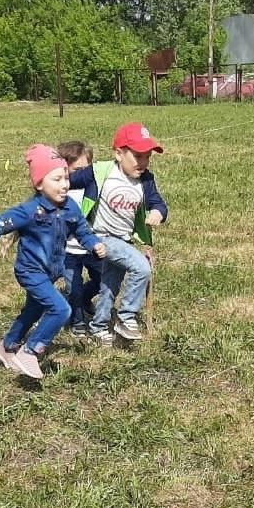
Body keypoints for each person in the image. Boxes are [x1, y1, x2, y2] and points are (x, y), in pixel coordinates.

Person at [0, 144, 107, 380]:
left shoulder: (70, 206)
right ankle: (30, 351)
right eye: (57, 179)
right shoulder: (30, 211)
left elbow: (81, 228)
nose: (65, 185)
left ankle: (7, 348)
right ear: (39, 184)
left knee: (33, 311)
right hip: (30, 271)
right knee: (61, 309)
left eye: (66, 178)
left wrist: (93, 243)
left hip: (51, 272)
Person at [73, 122, 168, 345]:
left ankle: (98, 326)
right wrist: (47, 182)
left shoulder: (146, 180)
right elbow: (69, 180)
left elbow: (158, 203)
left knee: (109, 287)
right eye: (137, 156)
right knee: (142, 268)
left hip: (123, 240)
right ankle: (126, 317)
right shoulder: (100, 172)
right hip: (100, 237)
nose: (143, 162)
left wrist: (157, 213)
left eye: (147, 157)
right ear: (118, 153)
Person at [58, 140, 99, 337]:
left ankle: (85, 297)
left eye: (86, 169)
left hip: (92, 246)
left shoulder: (94, 188)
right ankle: (77, 320)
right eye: (76, 170)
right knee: (72, 287)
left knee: (102, 279)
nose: (81, 175)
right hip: (69, 250)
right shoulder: (59, 192)